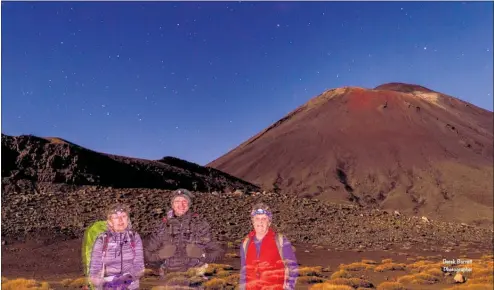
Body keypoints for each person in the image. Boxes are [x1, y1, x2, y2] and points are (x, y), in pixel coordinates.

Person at [144, 188, 224, 278]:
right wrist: (160, 255)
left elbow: (219, 252)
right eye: (177, 201)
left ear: (189, 204)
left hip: (196, 277)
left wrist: (202, 255)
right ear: (172, 205)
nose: (181, 205)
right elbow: (147, 253)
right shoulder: (163, 225)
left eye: (184, 201)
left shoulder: (201, 225)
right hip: (169, 277)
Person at [239, 202, 298, 290]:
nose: (260, 222)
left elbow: (292, 269)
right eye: (257, 218)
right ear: (253, 222)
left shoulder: (281, 241)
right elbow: (244, 273)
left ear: (269, 222)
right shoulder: (246, 243)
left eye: (264, 218)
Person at [88, 203, 145, 290]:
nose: (120, 220)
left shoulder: (134, 237)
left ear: (128, 219)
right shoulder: (102, 240)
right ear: (110, 222)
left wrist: (125, 281)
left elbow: (139, 266)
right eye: (115, 217)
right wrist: (105, 284)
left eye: (123, 216)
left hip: (130, 286)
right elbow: (94, 269)